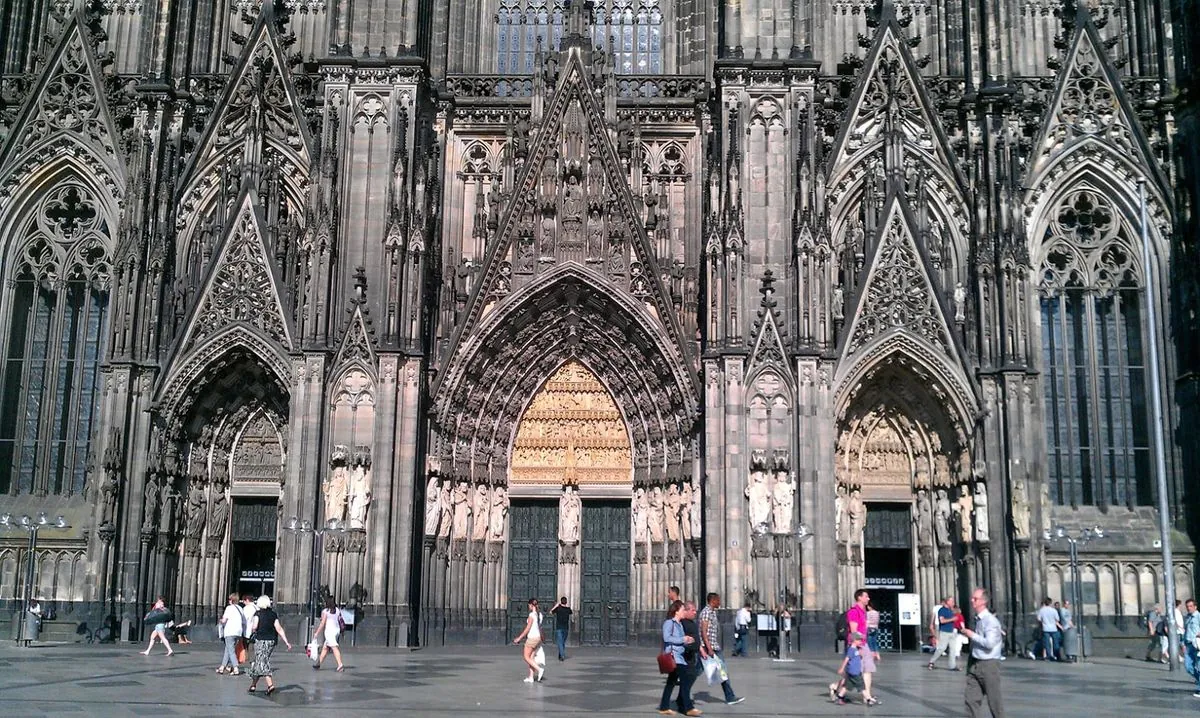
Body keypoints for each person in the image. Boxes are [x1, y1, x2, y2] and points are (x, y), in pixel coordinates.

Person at [961, 587, 1005, 718]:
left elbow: (990, 644)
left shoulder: (990, 621)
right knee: (971, 700)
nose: (971, 600)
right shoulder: (978, 619)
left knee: (994, 701)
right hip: (975, 663)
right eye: (972, 598)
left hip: (988, 665)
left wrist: (972, 635)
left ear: (983, 601)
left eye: (975, 598)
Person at [698, 593, 745, 705]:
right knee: (695, 672)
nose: (720, 603)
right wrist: (708, 648)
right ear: (713, 600)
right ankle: (682, 694)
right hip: (709, 647)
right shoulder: (706, 612)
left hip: (714, 646)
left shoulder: (712, 612)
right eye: (718, 600)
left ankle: (730, 697)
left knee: (723, 672)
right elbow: (703, 631)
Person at [658, 600, 700, 717]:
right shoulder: (669, 623)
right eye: (682, 610)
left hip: (679, 656)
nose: (683, 612)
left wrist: (688, 641)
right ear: (676, 611)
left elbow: (680, 640)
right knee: (685, 681)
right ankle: (688, 708)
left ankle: (663, 707)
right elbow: (667, 638)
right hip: (674, 657)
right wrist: (683, 639)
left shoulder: (680, 624)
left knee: (670, 683)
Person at [247, 595, 292, 695]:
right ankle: (253, 685)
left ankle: (270, 685)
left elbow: (254, 627)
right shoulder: (273, 614)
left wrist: (253, 630)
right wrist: (286, 642)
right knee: (260, 661)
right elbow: (279, 628)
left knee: (262, 661)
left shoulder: (258, 614)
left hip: (261, 640)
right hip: (271, 641)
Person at [834, 632, 877, 705]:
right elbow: (847, 659)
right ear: (854, 640)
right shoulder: (851, 650)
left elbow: (855, 658)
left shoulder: (856, 649)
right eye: (859, 640)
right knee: (862, 687)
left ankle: (839, 697)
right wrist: (842, 668)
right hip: (855, 672)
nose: (861, 641)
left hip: (852, 672)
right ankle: (869, 699)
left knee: (846, 686)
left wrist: (860, 656)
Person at [511, 597, 544, 683]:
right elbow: (539, 627)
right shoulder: (539, 615)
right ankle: (531, 677)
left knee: (526, 657)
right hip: (538, 638)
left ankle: (539, 669)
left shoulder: (531, 615)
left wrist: (519, 638)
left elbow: (527, 628)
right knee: (531, 658)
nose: (528, 607)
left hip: (532, 638)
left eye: (529, 605)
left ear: (531, 605)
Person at [312, 596, 345, 671]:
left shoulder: (325, 611)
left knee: (334, 647)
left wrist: (317, 632)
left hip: (330, 632)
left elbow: (322, 623)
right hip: (337, 630)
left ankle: (340, 664)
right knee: (325, 648)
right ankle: (318, 663)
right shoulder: (337, 610)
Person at [928, 596, 960, 670]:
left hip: (951, 631)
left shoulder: (950, 610)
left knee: (953, 649)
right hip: (944, 632)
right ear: (947, 602)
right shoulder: (941, 610)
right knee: (942, 648)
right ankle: (931, 661)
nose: (953, 603)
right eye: (952, 601)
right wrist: (953, 619)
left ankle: (952, 666)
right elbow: (942, 621)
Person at [217, 592, 244, 675]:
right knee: (228, 649)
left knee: (231, 650)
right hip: (238, 632)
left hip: (230, 631)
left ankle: (236, 668)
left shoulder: (229, 608)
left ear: (232, 600)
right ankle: (222, 667)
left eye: (229, 599)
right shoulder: (240, 608)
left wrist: (220, 621)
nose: (229, 601)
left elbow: (224, 620)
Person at [1183, 599, 1200, 697]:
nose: (1188, 608)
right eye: (1187, 606)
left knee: (1198, 667)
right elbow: (1186, 631)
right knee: (1188, 666)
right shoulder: (1188, 617)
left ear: (1195, 607)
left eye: (1190, 606)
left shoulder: (1198, 616)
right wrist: (1183, 643)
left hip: (1197, 645)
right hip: (1189, 645)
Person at [551, 596, 573, 661]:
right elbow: (571, 612)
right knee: (562, 642)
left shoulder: (558, 608)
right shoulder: (568, 609)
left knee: (560, 642)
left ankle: (562, 655)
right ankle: (560, 655)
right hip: (566, 628)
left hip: (559, 628)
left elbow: (551, 611)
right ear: (566, 602)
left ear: (561, 602)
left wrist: (556, 606)